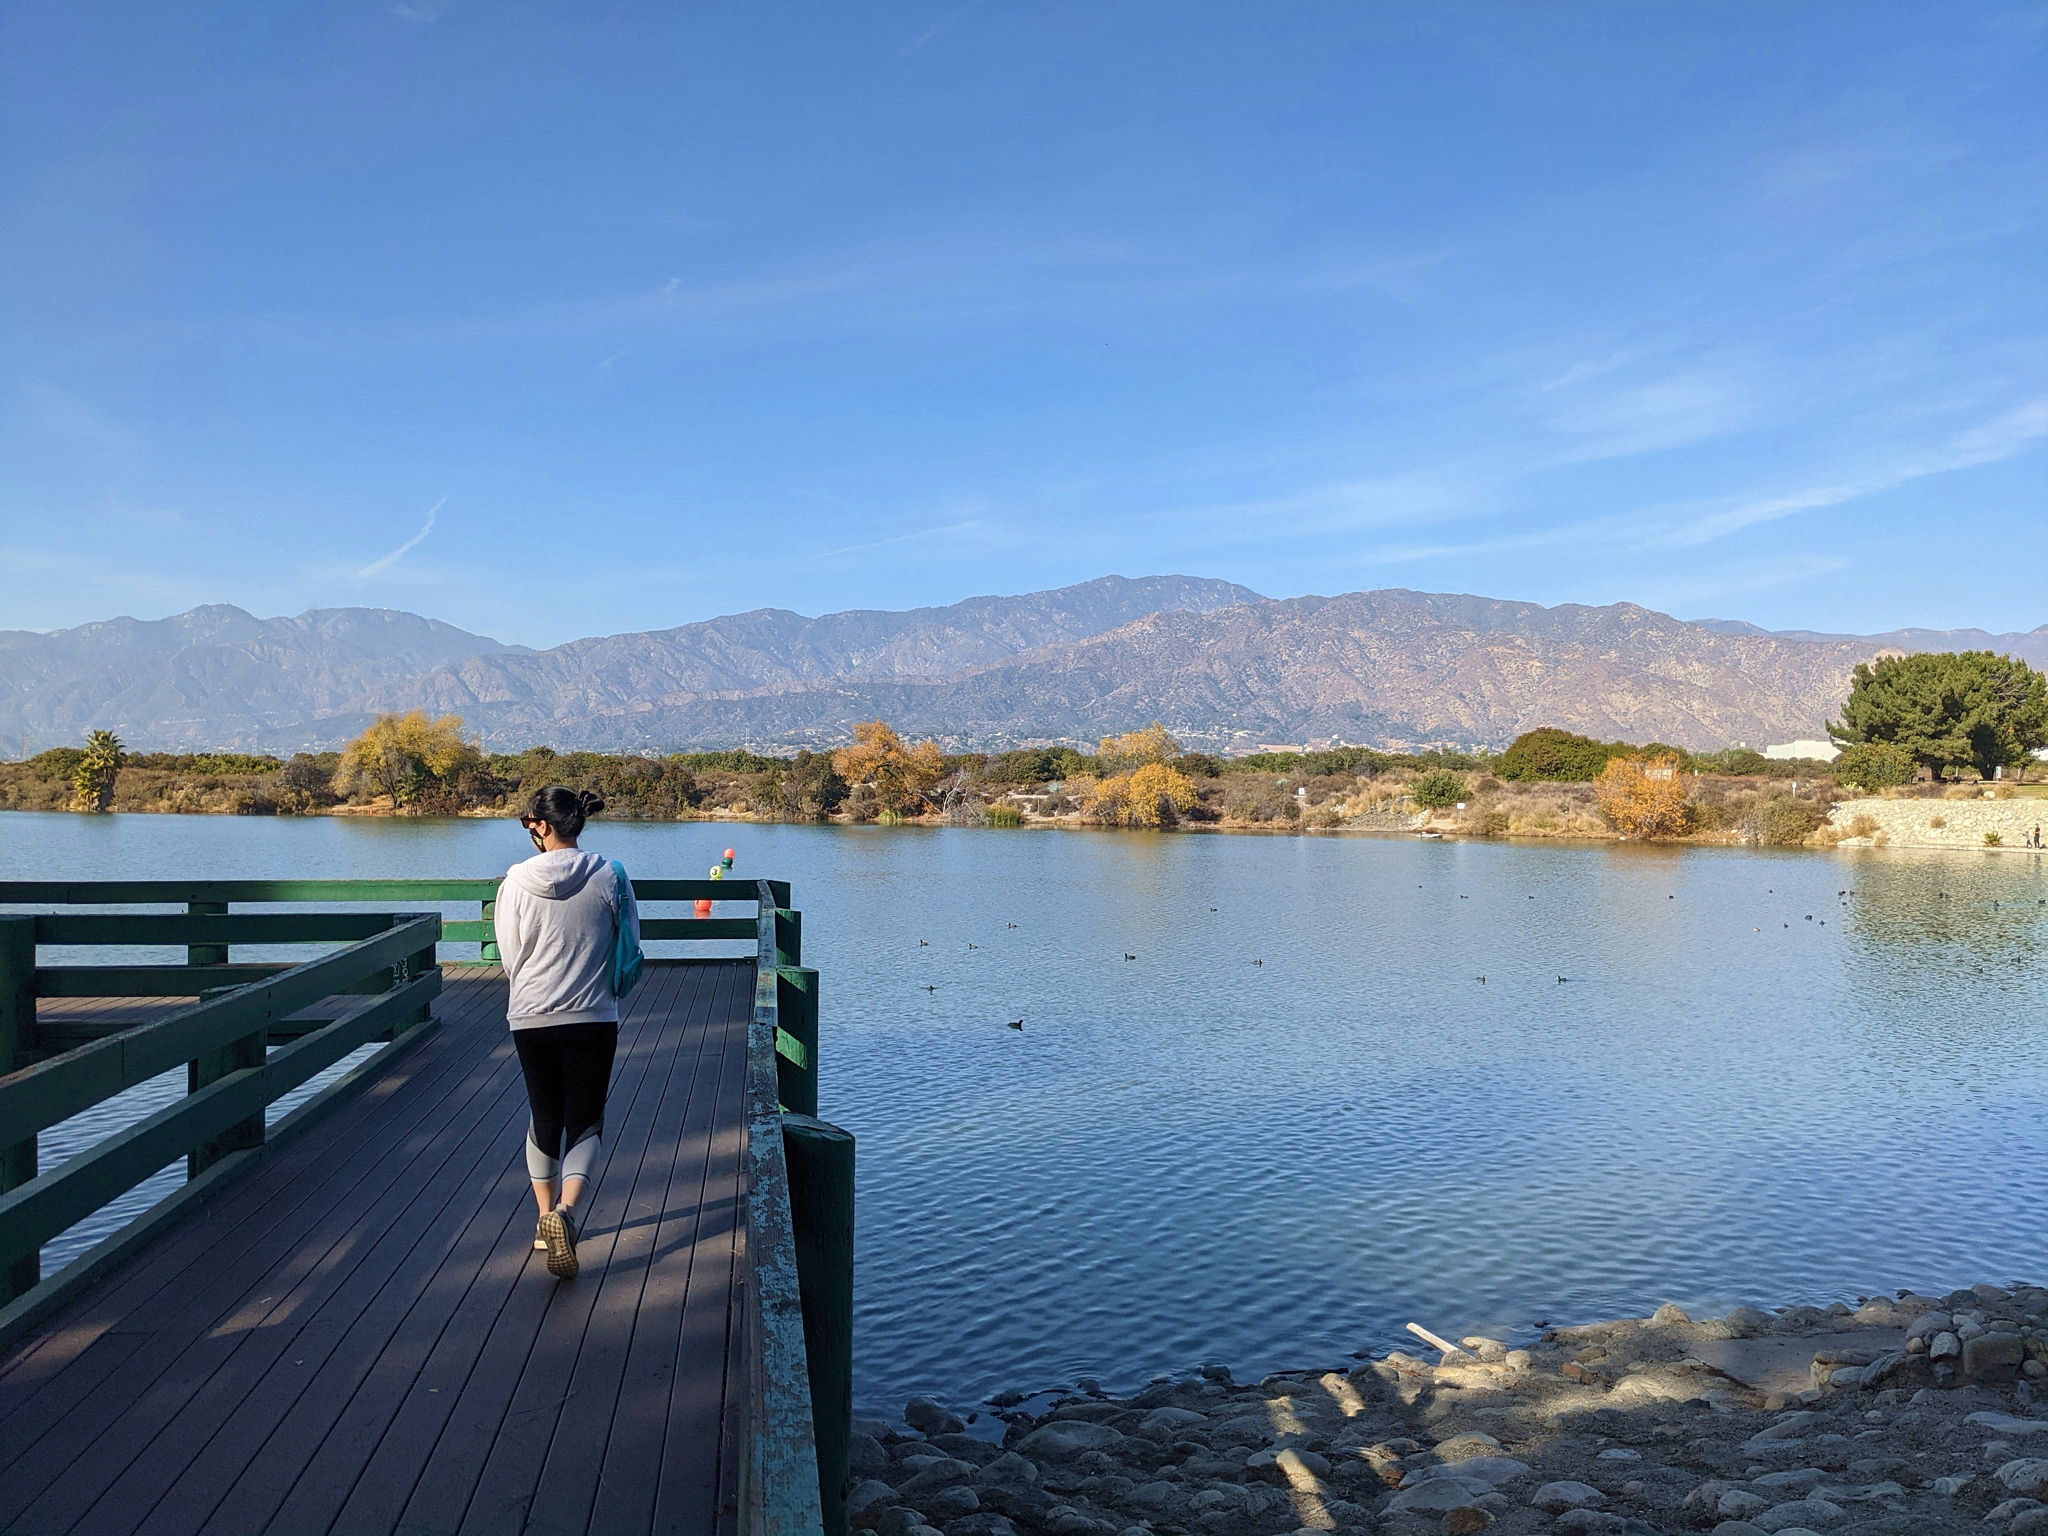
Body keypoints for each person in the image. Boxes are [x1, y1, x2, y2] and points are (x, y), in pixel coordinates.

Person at [494, 786, 640, 1279]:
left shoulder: (514, 882)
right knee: (586, 1119)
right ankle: (568, 1213)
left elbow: (510, 956)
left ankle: (542, 1219)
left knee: (544, 1115)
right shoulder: (609, 874)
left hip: (531, 1016)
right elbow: (631, 942)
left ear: (540, 825)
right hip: (593, 1014)